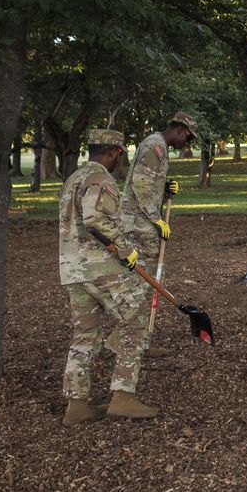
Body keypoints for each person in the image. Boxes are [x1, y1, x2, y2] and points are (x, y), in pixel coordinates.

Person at [58, 129, 157, 423]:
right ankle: (122, 397)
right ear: (114, 152)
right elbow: (95, 220)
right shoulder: (100, 178)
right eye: (121, 155)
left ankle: (76, 407)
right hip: (100, 269)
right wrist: (127, 250)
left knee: (85, 336)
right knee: (136, 321)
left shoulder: (72, 179)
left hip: (73, 271)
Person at [120, 111, 198, 356]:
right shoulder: (155, 146)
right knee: (140, 282)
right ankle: (130, 341)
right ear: (179, 130)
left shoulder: (158, 145)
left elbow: (148, 183)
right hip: (137, 224)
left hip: (142, 222)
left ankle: (138, 341)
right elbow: (140, 185)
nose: (187, 143)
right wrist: (156, 219)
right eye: (188, 138)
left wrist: (164, 189)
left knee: (143, 282)